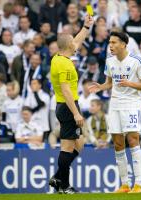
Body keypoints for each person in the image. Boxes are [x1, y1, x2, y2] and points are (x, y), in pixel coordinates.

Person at [89, 31, 141, 193]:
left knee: (133, 140)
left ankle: (138, 184)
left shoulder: (137, 60)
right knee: (117, 143)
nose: (111, 46)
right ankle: (124, 184)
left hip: (131, 104)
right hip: (114, 104)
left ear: (123, 44)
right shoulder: (109, 61)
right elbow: (110, 82)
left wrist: (130, 83)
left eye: (114, 42)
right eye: (110, 42)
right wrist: (101, 87)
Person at [49, 14, 94, 194]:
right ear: (69, 47)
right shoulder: (65, 65)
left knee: (79, 144)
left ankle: (58, 177)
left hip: (64, 105)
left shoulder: (58, 58)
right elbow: (66, 90)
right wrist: (76, 112)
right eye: (73, 43)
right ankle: (64, 186)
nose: (76, 44)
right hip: (68, 107)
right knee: (67, 147)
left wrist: (86, 27)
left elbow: (76, 40)